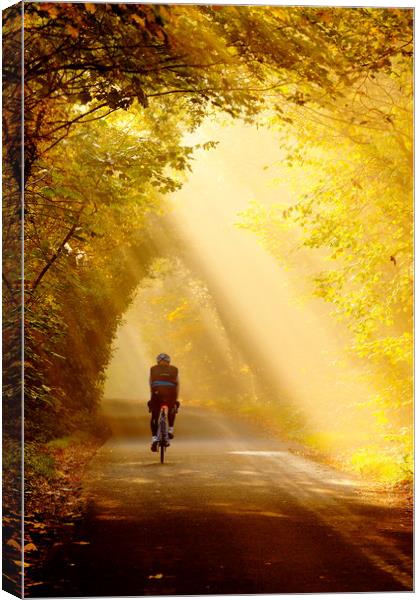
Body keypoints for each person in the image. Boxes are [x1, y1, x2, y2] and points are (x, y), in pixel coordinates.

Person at [148, 353, 180, 452]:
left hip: (157, 391)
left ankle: (154, 439)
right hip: (171, 392)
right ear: (169, 362)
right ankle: (170, 429)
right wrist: (175, 399)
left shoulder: (153, 369)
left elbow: (151, 384)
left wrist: (152, 397)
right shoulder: (174, 369)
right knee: (172, 407)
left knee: (154, 415)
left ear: (157, 362)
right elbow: (177, 384)